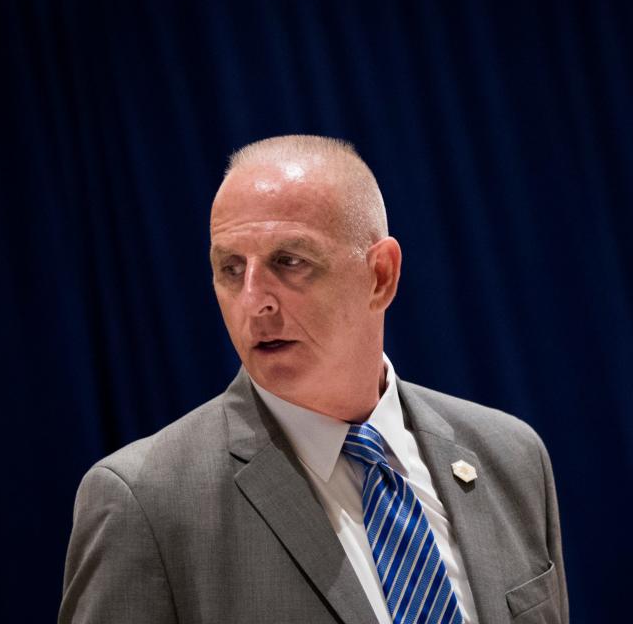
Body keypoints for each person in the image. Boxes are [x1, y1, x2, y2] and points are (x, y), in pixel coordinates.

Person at [58, 135, 568, 623]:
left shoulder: (510, 456)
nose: (255, 300)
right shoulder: (145, 502)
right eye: (231, 269)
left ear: (381, 276)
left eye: (290, 261)